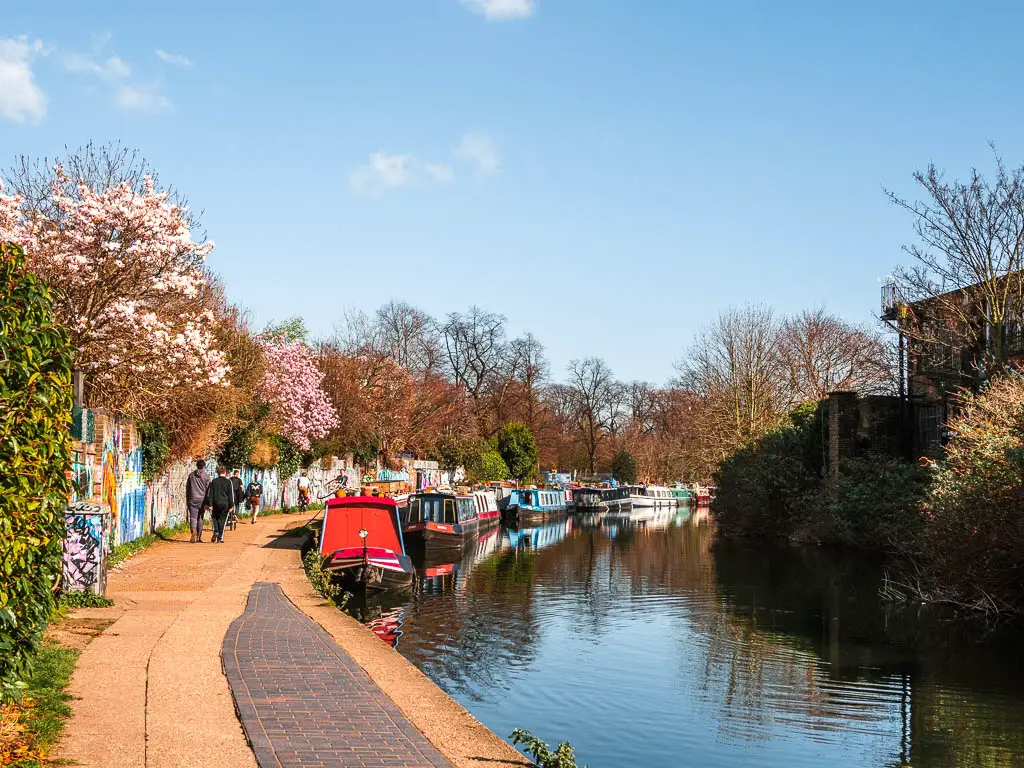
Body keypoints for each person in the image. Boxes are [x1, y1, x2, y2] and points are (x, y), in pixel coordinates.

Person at [203, 466, 235, 543]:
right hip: (225, 504)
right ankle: (220, 537)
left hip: (215, 503)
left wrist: (210, 504)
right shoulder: (228, 482)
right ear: (225, 473)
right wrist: (231, 505)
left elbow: (210, 494)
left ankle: (216, 531)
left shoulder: (214, 481)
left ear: (218, 473)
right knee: (223, 521)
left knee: (214, 518)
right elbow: (230, 495)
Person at [185, 459, 211, 543]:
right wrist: (208, 502)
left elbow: (187, 489)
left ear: (197, 465)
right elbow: (208, 489)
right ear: (204, 466)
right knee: (200, 517)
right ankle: (199, 537)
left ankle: (193, 531)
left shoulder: (191, 475)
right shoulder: (206, 476)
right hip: (202, 500)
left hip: (192, 498)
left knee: (193, 517)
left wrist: (187, 499)